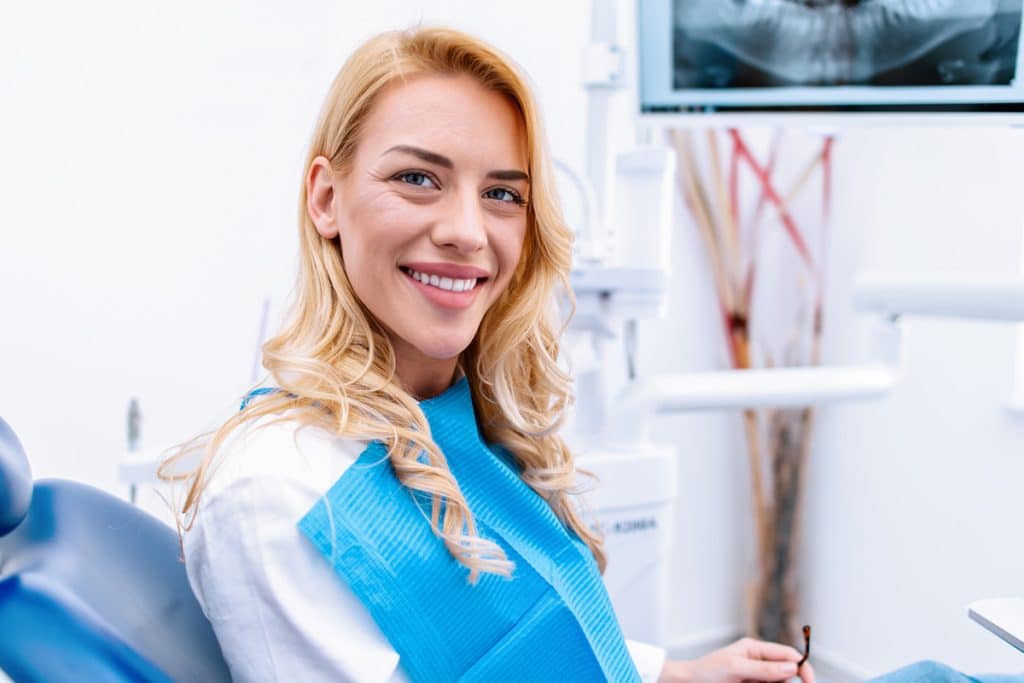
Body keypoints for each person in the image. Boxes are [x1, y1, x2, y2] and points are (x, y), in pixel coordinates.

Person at [166, 25, 1019, 683]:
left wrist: (671, 672)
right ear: (326, 198)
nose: (467, 230)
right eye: (418, 178)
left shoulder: (455, 423)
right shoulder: (279, 487)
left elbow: (519, 649)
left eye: (502, 193)